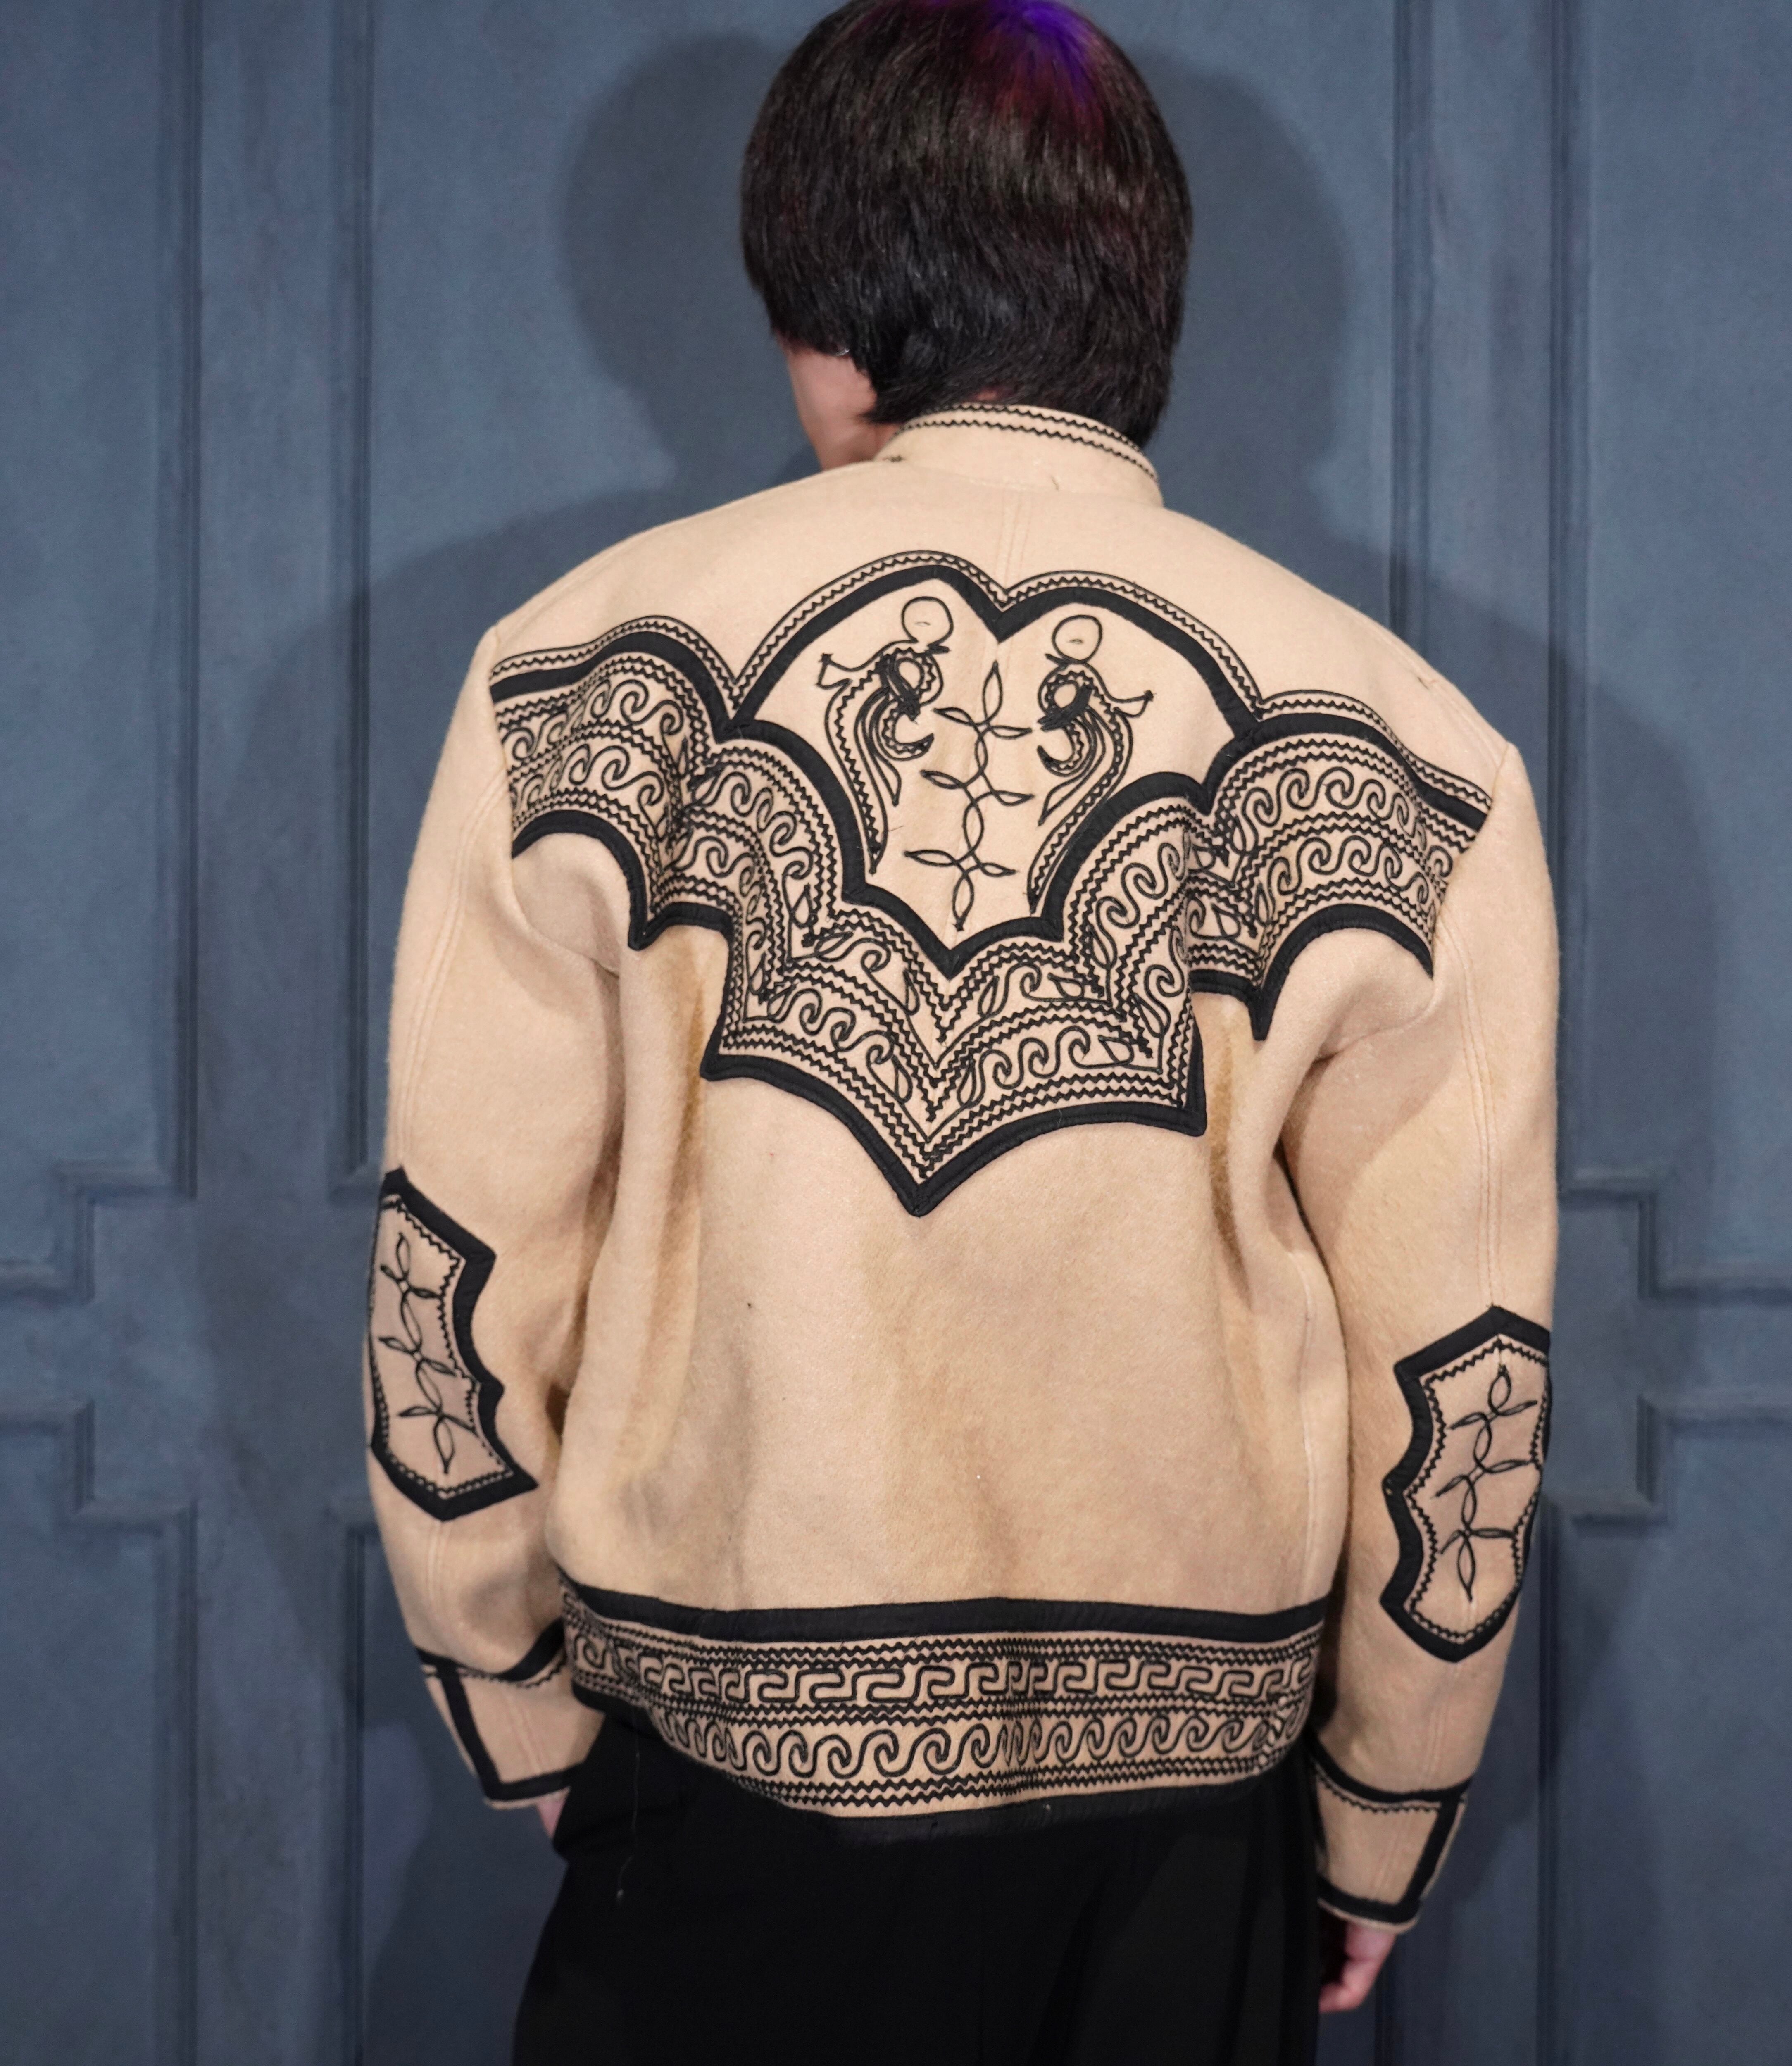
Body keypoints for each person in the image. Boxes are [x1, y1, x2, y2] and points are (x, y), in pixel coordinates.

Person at [361, 3, 1558, 2059]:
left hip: (713, 1806)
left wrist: (515, 1700)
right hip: (1184, 1846)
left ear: (828, 319)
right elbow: (1458, 1384)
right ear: (1141, 300)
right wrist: (1378, 1814)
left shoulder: (578, 680)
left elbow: (454, 1276)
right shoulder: (1406, 760)